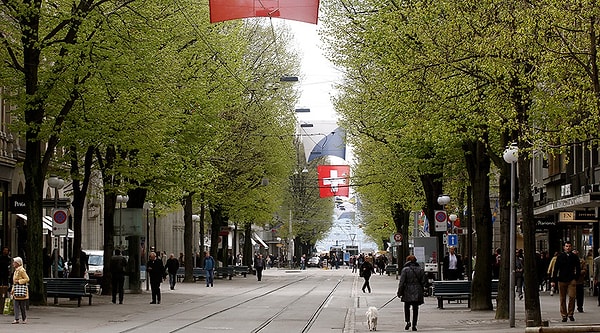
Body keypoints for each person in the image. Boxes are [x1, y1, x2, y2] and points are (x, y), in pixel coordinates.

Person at [552, 241, 581, 322]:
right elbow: (556, 269)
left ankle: (570, 313)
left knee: (572, 296)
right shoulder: (560, 256)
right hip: (562, 279)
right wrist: (554, 280)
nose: (568, 248)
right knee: (562, 298)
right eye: (566, 246)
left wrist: (576, 277)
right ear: (564, 247)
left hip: (571, 279)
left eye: (569, 246)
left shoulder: (574, 257)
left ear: (571, 247)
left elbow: (578, 267)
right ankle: (564, 315)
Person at [397, 255, 427, 332]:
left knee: (407, 307)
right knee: (415, 308)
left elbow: (401, 282)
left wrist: (399, 292)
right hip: (417, 290)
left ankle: (408, 321)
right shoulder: (420, 269)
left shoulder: (405, 270)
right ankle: (414, 325)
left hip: (407, 290)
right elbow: (424, 282)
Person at [11, 256, 29, 324]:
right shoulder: (16, 270)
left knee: (22, 306)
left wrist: (19, 281)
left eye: (14, 262)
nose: (13, 263)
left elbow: (27, 279)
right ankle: (17, 319)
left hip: (21, 290)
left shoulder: (21, 270)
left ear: (18, 263)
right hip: (17, 290)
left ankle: (24, 318)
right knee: (16, 305)